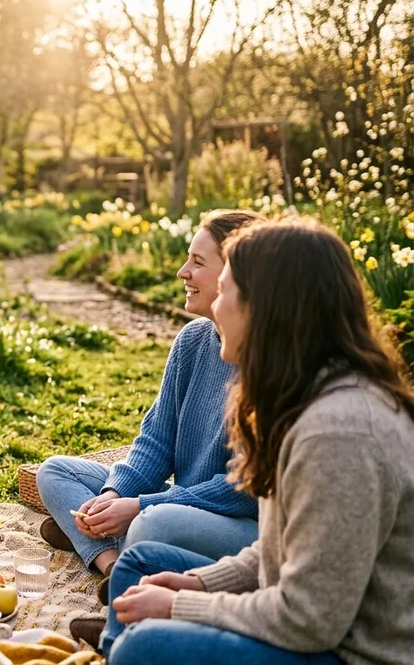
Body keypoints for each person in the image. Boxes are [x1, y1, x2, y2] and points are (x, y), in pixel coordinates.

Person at [103, 219, 414, 664]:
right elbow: (276, 555)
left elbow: (308, 618)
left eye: (226, 290)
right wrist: (201, 583)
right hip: (311, 627)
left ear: (265, 309)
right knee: (140, 567)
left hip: (349, 652)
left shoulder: (340, 434)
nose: (217, 306)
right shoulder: (301, 398)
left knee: (143, 646)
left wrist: (182, 606)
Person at [35, 210, 263, 613]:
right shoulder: (193, 340)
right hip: (177, 498)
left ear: (235, 276)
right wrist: (113, 496)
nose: (182, 272)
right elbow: (156, 442)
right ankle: (112, 567)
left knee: (151, 525)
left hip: (235, 522)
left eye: (198, 262)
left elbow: (244, 493)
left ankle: (98, 544)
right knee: (56, 472)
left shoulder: (268, 363)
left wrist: (141, 507)